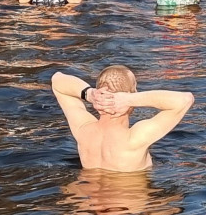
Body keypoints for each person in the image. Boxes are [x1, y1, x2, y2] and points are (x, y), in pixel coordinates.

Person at [50, 66, 194, 172]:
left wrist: (89, 93)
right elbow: (185, 100)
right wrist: (131, 99)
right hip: (128, 207)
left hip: (88, 206)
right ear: (130, 95)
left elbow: (57, 79)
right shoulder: (135, 138)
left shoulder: (83, 130)